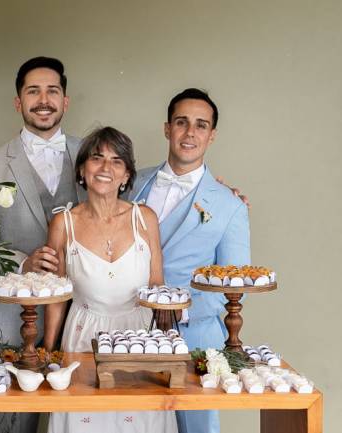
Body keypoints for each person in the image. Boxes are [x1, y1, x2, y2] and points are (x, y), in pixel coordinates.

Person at [129, 88, 251, 433]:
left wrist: (177, 308)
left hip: (196, 337)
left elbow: (233, 283)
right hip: (129, 332)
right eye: (182, 122)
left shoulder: (230, 205)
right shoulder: (131, 183)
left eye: (201, 125)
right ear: (167, 128)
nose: (190, 132)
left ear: (211, 136)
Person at [44, 127, 178, 433]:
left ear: (127, 175)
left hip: (140, 336)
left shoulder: (145, 218)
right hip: (82, 338)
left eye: (117, 161)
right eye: (97, 158)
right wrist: (48, 353)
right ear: (82, 169)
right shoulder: (63, 223)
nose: (106, 168)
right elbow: (56, 296)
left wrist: (168, 345)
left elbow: (158, 283)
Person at [0, 56, 83, 433]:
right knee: (13, 421)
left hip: (81, 313)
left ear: (65, 100)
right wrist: (21, 264)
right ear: (18, 102)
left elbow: (135, 199)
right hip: (11, 317)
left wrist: (218, 187)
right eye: (33, 91)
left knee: (81, 416)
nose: (44, 99)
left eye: (52, 91)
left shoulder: (95, 156)